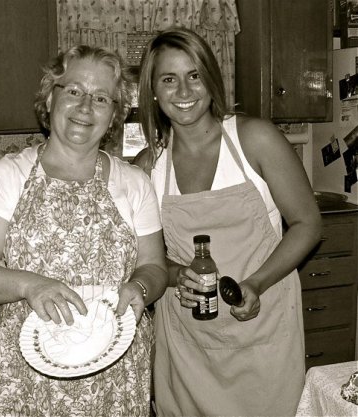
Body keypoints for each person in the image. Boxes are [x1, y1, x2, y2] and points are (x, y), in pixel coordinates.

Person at [0, 45, 168, 417]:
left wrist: (140, 288)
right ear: (50, 97)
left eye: (101, 98)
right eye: (74, 91)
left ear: (114, 114)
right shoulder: (8, 176)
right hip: (29, 374)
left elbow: (155, 268)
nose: (85, 107)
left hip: (117, 372)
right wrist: (30, 285)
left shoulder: (135, 183)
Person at [133, 27, 322, 417]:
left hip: (264, 330)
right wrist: (176, 273)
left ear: (211, 80)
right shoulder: (149, 168)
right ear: (152, 90)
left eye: (194, 75)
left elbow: (307, 224)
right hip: (188, 346)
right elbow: (147, 261)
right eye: (169, 79)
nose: (184, 91)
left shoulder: (255, 139)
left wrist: (256, 283)